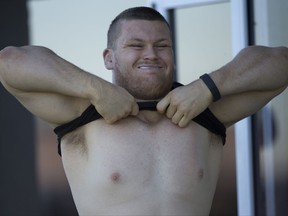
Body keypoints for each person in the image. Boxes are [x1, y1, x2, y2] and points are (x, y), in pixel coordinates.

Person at [0, 6, 287, 216]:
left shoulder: (204, 113)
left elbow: (281, 62)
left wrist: (206, 87)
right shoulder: (81, 115)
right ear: (109, 58)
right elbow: (10, 61)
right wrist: (95, 89)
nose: (151, 54)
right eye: (136, 45)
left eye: (162, 46)